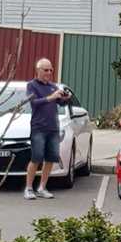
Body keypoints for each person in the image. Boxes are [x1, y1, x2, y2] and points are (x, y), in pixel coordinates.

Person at [24, 58, 69, 200]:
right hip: (39, 128)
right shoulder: (31, 86)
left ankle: (42, 187)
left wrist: (66, 97)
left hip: (53, 128)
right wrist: (51, 97)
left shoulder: (53, 86)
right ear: (38, 70)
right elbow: (34, 103)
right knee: (36, 158)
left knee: (50, 159)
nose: (49, 73)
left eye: (51, 70)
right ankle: (29, 188)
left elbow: (60, 103)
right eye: (46, 70)